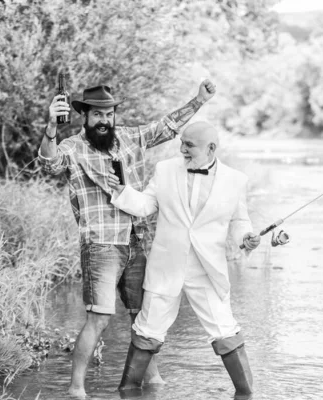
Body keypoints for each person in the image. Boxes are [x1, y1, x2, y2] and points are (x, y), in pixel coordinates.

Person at [38, 80, 216, 398]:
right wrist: (51, 126)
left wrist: (198, 100)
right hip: (101, 245)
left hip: (136, 240)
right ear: (84, 116)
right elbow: (48, 164)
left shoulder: (130, 138)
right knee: (99, 318)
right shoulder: (72, 148)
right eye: (97, 115)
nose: (104, 120)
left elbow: (168, 126)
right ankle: (76, 388)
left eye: (109, 113)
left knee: (143, 316)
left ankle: (152, 380)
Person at [106, 121, 261, 398]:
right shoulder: (165, 170)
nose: (182, 149)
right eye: (182, 143)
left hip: (207, 269)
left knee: (225, 330)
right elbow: (144, 205)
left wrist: (246, 237)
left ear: (211, 148)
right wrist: (120, 191)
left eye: (189, 145)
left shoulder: (236, 180)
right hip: (167, 266)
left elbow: (240, 221)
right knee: (147, 329)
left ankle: (247, 394)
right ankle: (128, 392)